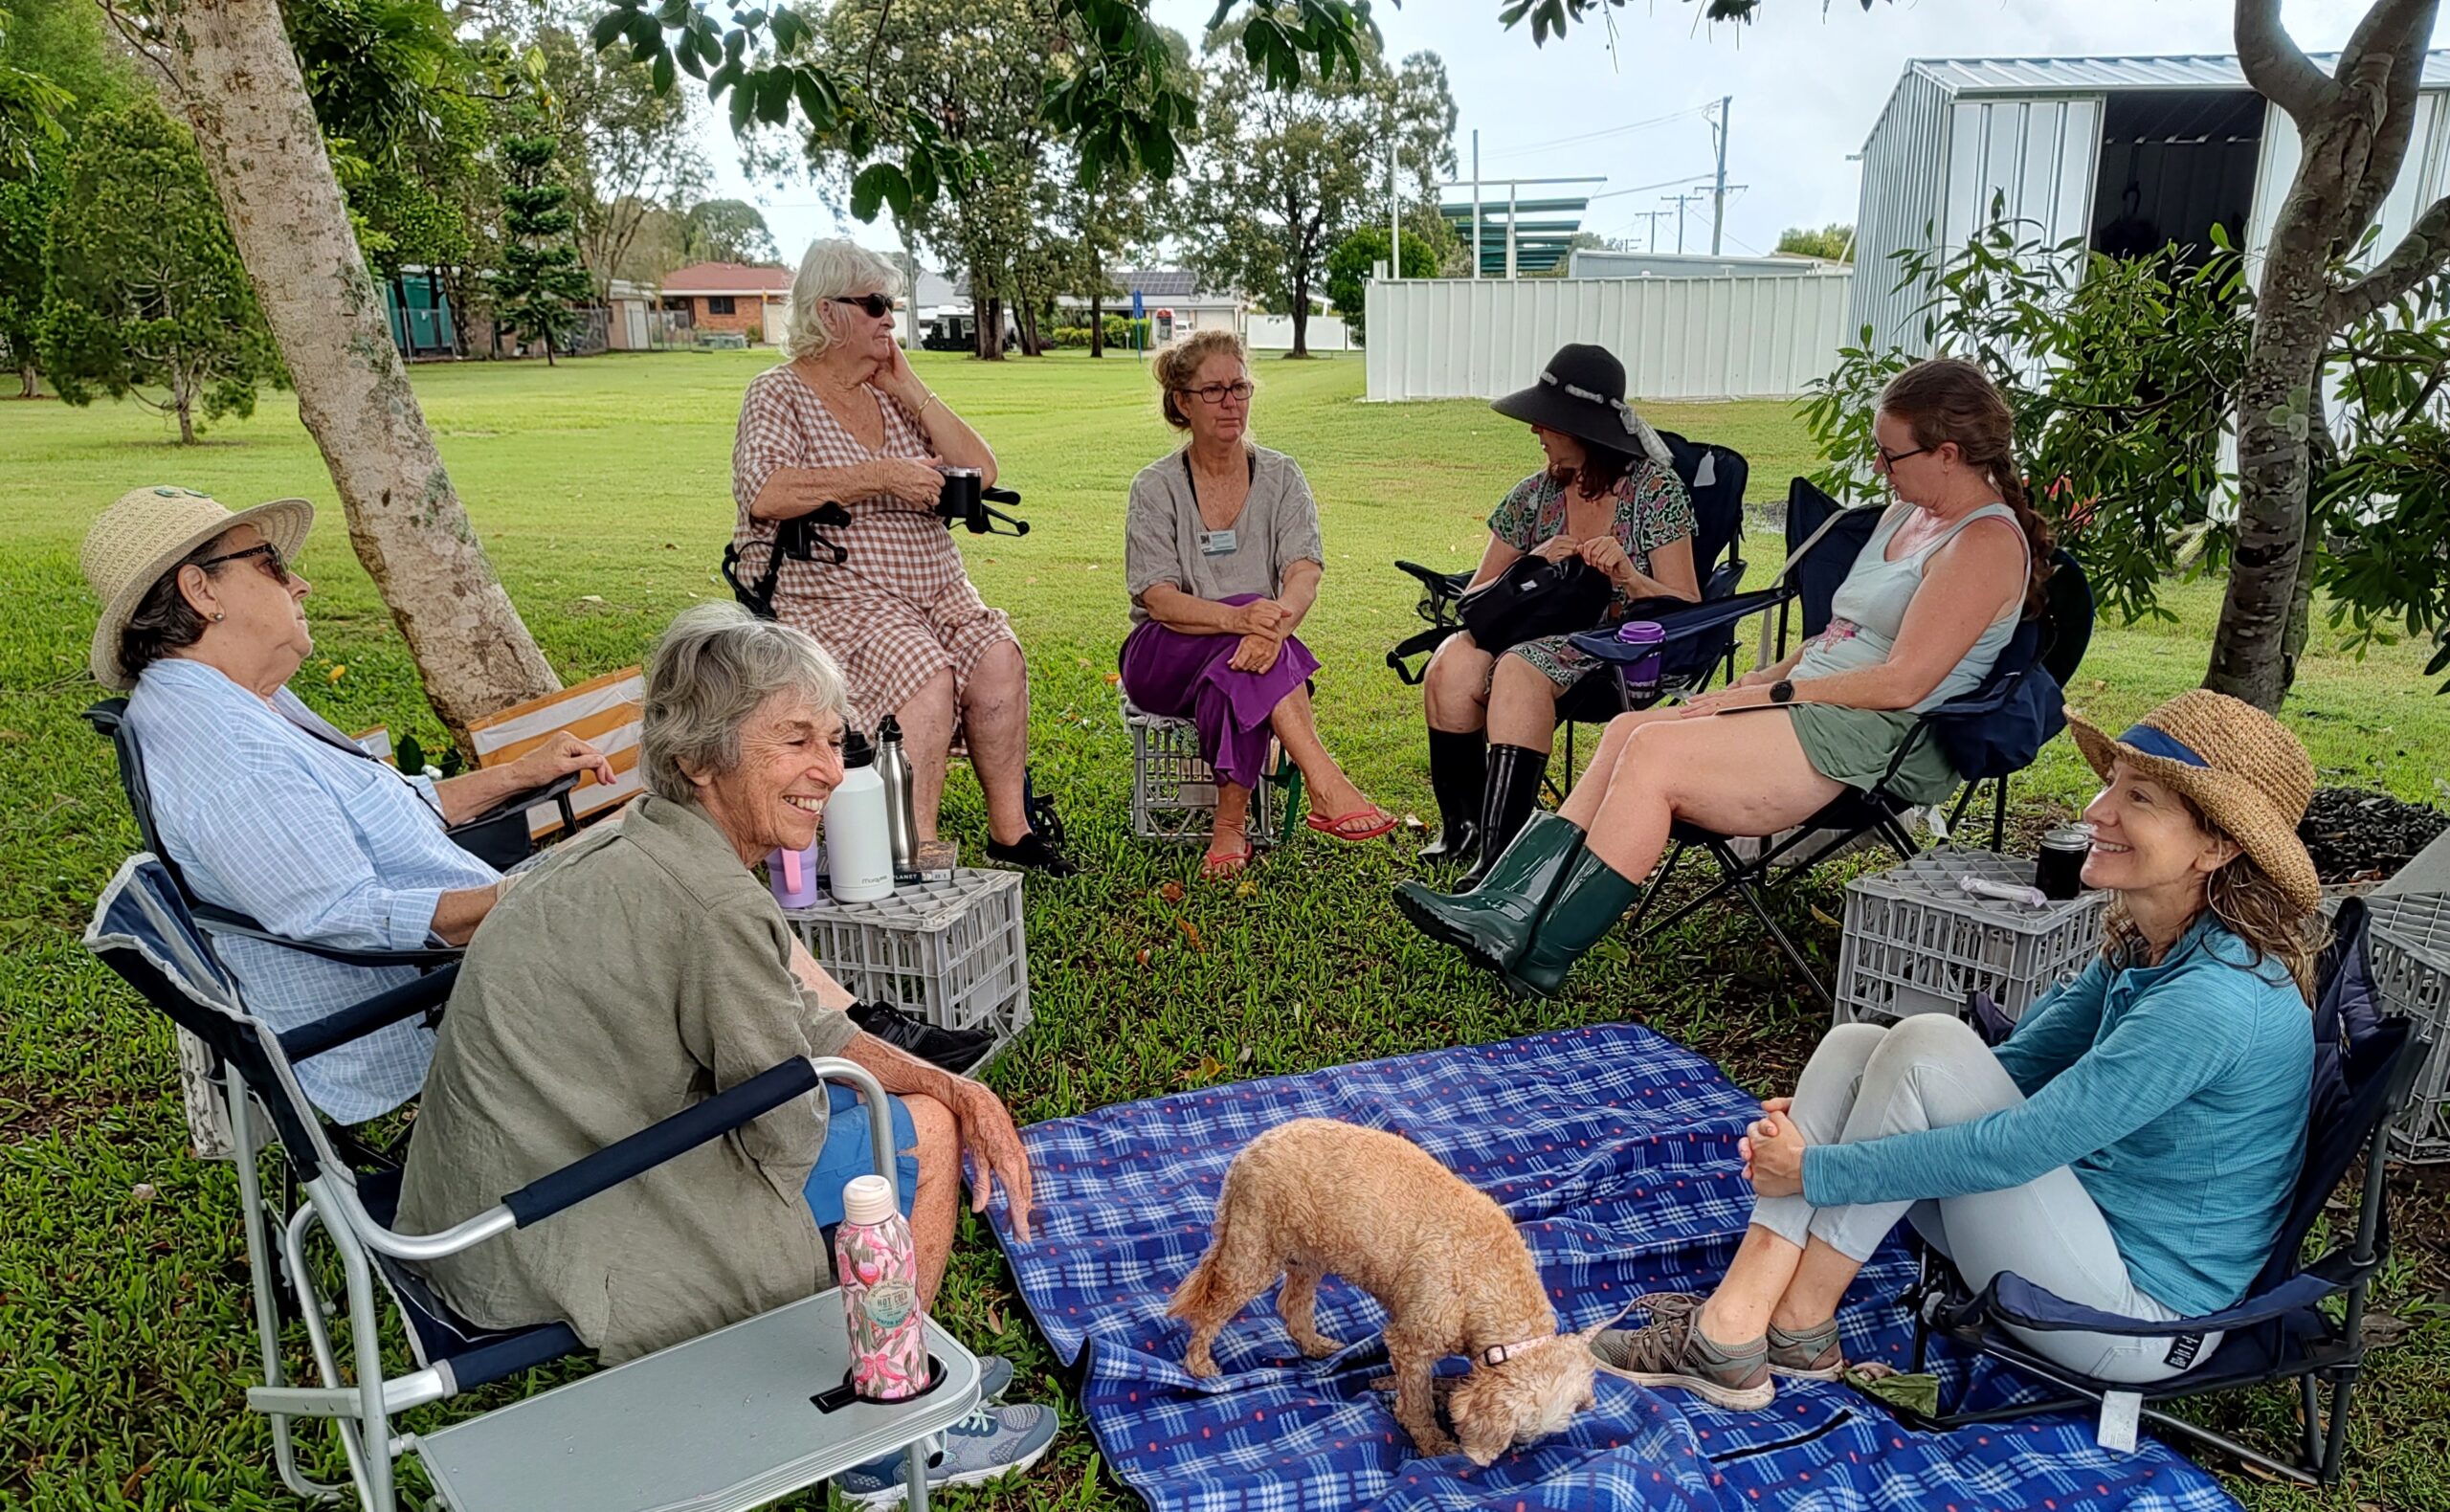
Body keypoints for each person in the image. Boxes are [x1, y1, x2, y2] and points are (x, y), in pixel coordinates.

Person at [396, 603, 1058, 1501]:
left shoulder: (636, 837)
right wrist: (944, 1105)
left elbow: (801, 1023)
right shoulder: (711, 902)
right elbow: (782, 1134)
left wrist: (955, 1081)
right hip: (543, 1223)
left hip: (479, 1194)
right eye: (795, 741)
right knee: (924, 1136)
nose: (830, 769)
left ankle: (884, 1367)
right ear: (700, 758)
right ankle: (887, 1421)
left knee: (930, 1101)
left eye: (833, 739)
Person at [1588, 690, 2321, 1408]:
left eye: (2140, 798)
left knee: (1927, 1042)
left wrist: (1814, 1167)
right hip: (2072, 1232)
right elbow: (2003, 1074)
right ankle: (1757, 1323)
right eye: (2111, 785)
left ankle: (1768, 1324)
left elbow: (2014, 1149)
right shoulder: (2153, 948)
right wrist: (1842, 1114)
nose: (2097, 812)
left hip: (2136, 1321)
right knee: (1858, 1045)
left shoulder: (2214, 1001)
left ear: (2217, 847)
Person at [1395, 358, 2052, 999]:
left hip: (1873, 734)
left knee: (1652, 756)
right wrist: (1759, 680)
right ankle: (1504, 904)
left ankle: (1543, 956)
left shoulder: (1982, 545)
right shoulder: (1904, 515)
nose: (1879, 468)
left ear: (1947, 454)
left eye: (1890, 454)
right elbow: (1838, 637)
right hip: (1813, 702)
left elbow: (1903, 683)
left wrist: (1776, 692)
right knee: (1627, 729)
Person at [78, 486, 612, 1123]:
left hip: (467, 957)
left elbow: (379, 816)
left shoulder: (238, 698)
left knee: (666, 863)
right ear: (201, 591)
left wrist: (519, 774)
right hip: (435, 1001)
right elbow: (341, 912)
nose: (299, 583)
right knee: (676, 894)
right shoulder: (228, 748)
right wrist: (538, 894)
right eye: (271, 563)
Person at [731, 238, 1074, 878]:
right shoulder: (779, 394)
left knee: (998, 659)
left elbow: (984, 470)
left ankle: (1011, 832)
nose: (889, 318)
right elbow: (766, 491)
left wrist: (910, 385)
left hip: (935, 586)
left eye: (891, 305)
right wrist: (882, 475)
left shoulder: (890, 393)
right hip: (837, 592)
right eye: (875, 305)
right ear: (827, 312)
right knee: (924, 671)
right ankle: (914, 849)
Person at [1417, 343, 1700, 882]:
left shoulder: (1655, 494)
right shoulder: (1533, 496)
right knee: (1452, 663)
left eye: (1546, 421)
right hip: (1530, 630)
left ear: (1581, 429)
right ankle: (1464, 829)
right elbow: (1474, 599)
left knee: (1520, 668)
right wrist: (1532, 562)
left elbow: (1686, 606)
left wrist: (1629, 577)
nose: (1535, 430)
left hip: (1617, 652)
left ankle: (1501, 858)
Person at [1122, 331, 1392, 878]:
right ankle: (1325, 781)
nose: (1231, 402)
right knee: (1251, 634)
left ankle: (1229, 830)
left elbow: (1303, 573)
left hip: (1253, 650)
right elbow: (1159, 599)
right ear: (1183, 402)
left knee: (1239, 676)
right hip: (1164, 654)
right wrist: (1243, 618)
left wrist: (1272, 630)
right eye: (1214, 390)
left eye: (1239, 387)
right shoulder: (1154, 486)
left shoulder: (1281, 476)